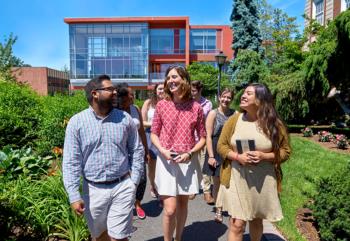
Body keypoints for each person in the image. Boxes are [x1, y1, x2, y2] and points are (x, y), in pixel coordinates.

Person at [62, 75, 144, 241]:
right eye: (109, 89)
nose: (114, 92)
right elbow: (71, 162)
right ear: (95, 94)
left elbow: (137, 150)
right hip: (93, 190)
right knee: (100, 236)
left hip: (122, 186)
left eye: (114, 89)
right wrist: (74, 195)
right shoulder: (77, 123)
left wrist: (133, 182)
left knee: (119, 237)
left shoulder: (125, 119)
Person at [216, 83, 291, 241]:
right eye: (243, 93)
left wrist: (265, 156)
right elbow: (221, 146)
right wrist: (237, 157)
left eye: (249, 93)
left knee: (256, 220)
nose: (243, 96)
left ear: (260, 100)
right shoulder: (234, 120)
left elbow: (285, 151)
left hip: (262, 179)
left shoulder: (274, 123)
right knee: (237, 224)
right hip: (237, 176)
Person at [150, 66, 206, 241]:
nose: (170, 80)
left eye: (174, 76)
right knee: (170, 209)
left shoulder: (196, 107)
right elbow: (153, 133)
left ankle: (179, 237)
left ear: (184, 80)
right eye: (168, 78)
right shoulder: (162, 105)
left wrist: (190, 153)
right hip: (167, 161)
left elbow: (203, 137)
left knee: (182, 204)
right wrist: (163, 150)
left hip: (187, 160)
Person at [114, 83, 149, 220]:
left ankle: (138, 204)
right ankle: (125, 208)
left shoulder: (135, 109)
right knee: (124, 181)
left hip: (137, 150)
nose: (132, 95)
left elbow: (141, 131)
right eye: (130, 93)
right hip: (121, 152)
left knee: (142, 179)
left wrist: (146, 150)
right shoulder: (114, 112)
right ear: (122, 97)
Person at [202, 88, 235, 223]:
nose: (226, 100)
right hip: (215, 149)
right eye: (223, 97)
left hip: (230, 149)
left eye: (229, 97)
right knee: (217, 182)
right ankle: (219, 210)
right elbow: (208, 136)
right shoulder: (213, 114)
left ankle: (232, 208)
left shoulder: (235, 114)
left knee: (230, 182)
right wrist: (210, 156)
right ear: (219, 97)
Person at [190, 80, 213, 203]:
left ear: (200, 90)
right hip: (190, 139)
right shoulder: (188, 103)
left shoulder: (207, 104)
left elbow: (208, 121)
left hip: (203, 138)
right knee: (192, 166)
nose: (192, 93)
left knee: (204, 165)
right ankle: (192, 189)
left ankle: (207, 192)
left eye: (194, 91)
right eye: (191, 91)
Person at [141, 83, 165, 198]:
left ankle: (163, 186)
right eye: (160, 89)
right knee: (152, 163)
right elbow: (142, 122)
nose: (162, 91)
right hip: (150, 134)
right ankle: (153, 185)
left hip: (164, 135)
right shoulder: (148, 103)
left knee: (164, 162)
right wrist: (155, 124)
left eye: (164, 89)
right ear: (156, 90)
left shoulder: (170, 103)